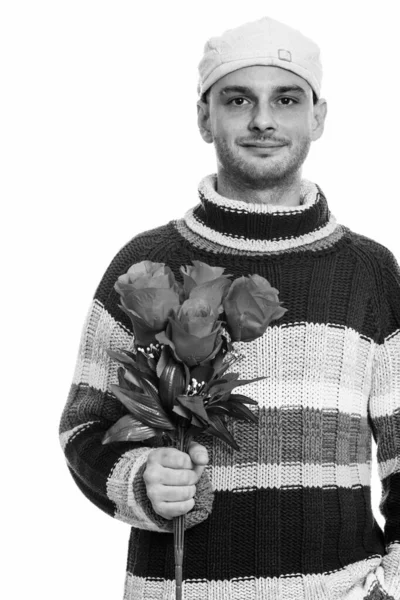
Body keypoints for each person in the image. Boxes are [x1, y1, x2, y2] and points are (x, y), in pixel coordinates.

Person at [59, 15, 400, 600]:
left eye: (286, 100)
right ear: (203, 116)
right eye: (238, 99)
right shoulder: (145, 263)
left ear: (317, 117)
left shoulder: (369, 271)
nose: (263, 120)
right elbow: (83, 426)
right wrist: (140, 482)